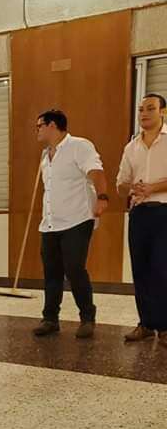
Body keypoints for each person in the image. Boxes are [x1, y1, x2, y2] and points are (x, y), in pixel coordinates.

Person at [31, 110, 108, 339]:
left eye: (39, 126)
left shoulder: (79, 146)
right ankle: (50, 319)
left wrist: (102, 198)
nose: (37, 130)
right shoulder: (46, 155)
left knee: (74, 269)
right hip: (50, 224)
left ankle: (87, 318)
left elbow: (96, 172)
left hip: (77, 220)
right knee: (51, 272)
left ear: (52, 125)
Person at [117, 93, 167, 347]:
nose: (144, 113)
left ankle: (165, 327)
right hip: (139, 214)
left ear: (163, 112)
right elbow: (120, 184)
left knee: (162, 269)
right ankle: (146, 323)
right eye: (141, 109)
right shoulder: (132, 146)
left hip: (164, 212)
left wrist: (153, 187)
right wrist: (132, 188)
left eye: (150, 108)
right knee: (141, 269)